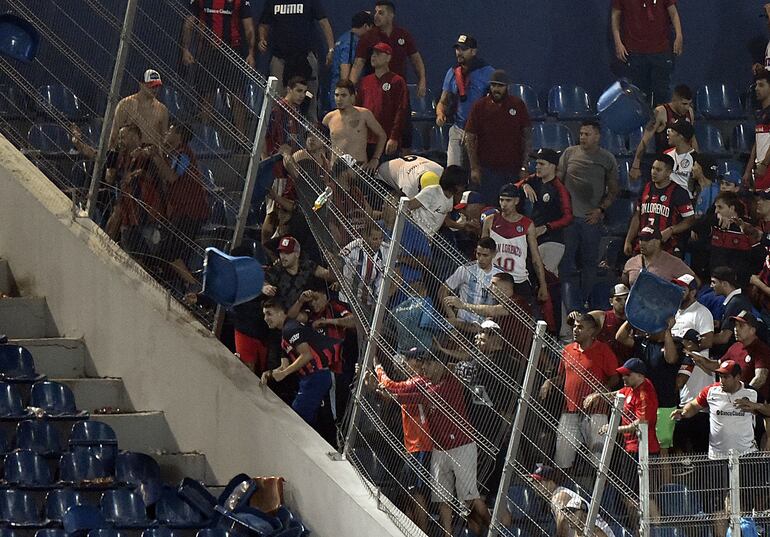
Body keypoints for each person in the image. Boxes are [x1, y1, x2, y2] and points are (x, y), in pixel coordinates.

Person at [386, 354, 491, 537]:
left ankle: (495, 529)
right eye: (424, 362)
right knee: (442, 497)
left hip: (462, 446)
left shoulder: (450, 382)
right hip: (439, 448)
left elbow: (416, 397)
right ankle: (447, 534)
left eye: (429, 362)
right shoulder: (426, 384)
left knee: (469, 498)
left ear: (439, 365)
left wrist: (389, 395)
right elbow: (409, 393)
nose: (424, 366)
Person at [584, 358, 660, 528]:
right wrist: (599, 395)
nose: (623, 377)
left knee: (641, 495)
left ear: (639, 375)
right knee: (631, 494)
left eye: (627, 374)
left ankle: (653, 529)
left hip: (642, 450)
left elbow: (641, 423)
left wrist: (613, 429)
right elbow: (620, 393)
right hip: (631, 448)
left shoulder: (644, 393)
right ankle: (640, 529)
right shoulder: (632, 388)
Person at [539, 314, 618, 472]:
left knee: (599, 459)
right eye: (574, 326)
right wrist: (549, 382)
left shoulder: (603, 350)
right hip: (570, 411)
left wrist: (600, 392)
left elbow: (615, 378)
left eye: (580, 327)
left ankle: (599, 491)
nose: (575, 330)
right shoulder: (567, 350)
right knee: (562, 457)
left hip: (596, 412)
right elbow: (562, 377)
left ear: (592, 331)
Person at [558, 120, 619, 311]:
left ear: (597, 136)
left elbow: (614, 190)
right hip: (568, 220)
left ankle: (585, 301)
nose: (582, 137)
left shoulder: (607, 159)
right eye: (581, 134)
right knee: (565, 264)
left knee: (589, 265)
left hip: (590, 220)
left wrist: (601, 210)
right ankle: (566, 304)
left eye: (587, 134)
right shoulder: (569, 153)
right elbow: (557, 183)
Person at [373, 350, 432, 533]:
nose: (405, 362)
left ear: (419, 362)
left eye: (409, 359)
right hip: (412, 444)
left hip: (421, 444)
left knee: (417, 491)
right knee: (408, 489)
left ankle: (422, 532)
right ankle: (411, 529)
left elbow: (390, 386)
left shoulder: (419, 382)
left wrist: (378, 368)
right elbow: (390, 394)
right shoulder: (411, 382)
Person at [260, 299, 342, 427]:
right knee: (308, 419)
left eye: (269, 313)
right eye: (264, 314)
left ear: (281, 313)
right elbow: (284, 367)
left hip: (316, 376)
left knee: (297, 419)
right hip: (310, 379)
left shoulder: (291, 329)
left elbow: (306, 355)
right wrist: (270, 373)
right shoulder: (284, 337)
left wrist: (285, 373)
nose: (265, 318)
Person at [616, 318, 689, 458]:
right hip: (643, 401)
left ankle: (665, 481)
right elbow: (620, 337)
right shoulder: (643, 342)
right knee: (642, 447)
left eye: (653, 327)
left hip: (664, 404)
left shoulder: (677, 345)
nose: (647, 330)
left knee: (662, 450)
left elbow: (671, 358)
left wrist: (667, 331)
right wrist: (632, 318)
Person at [150, 124, 211, 287]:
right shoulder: (173, 154)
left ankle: (195, 286)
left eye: (169, 130)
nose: (165, 133)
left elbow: (172, 177)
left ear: (179, 135)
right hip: (180, 211)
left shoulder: (184, 155)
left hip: (192, 212)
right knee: (165, 250)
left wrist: (156, 156)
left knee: (168, 251)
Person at [183, 1, 255, 132]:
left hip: (232, 52)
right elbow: (190, 21)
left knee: (236, 96)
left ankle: (241, 140)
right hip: (208, 51)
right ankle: (205, 137)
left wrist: (250, 53)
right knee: (206, 96)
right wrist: (186, 49)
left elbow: (249, 27)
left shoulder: (239, 1)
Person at [257, 0, 334, 120]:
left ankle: (310, 134)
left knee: (310, 96)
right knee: (277, 101)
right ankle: (278, 135)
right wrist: (262, 38)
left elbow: (324, 22)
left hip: (305, 57)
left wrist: (331, 48)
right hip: (280, 58)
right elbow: (263, 24)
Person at [465, 69, 532, 202]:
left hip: (513, 168)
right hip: (487, 169)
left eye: (500, 86)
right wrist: (474, 168)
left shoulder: (517, 105)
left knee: (512, 207)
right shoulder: (479, 106)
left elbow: (527, 137)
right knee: (489, 206)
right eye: (493, 85)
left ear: (507, 87)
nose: (496, 89)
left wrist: (524, 167)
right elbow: (470, 137)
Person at [482, 183, 549, 304]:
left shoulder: (527, 224)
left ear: (517, 201)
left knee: (527, 317)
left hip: (518, 279)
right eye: (501, 200)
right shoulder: (490, 221)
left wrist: (543, 285)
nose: (504, 204)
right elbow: (481, 252)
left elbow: (535, 257)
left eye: (508, 200)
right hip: (495, 279)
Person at [670, 274, 715, 454]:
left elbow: (708, 340)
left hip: (697, 379)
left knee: (698, 437)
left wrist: (683, 345)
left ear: (693, 292)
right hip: (678, 374)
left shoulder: (701, 312)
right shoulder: (673, 311)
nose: (678, 292)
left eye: (683, 289)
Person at [435, 34, 495, 168]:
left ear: (473, 51)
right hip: (458, 128)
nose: (459, 52)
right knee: (453, 171)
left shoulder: (488, 72)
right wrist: (440, 114)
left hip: (479, 132)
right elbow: (443, 101)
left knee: (477, 171)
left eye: (463, 49)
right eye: (457, 49)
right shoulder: (452, 72)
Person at [349, 0, 427, 103]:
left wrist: (422, 79)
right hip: (375, 90)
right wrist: (350, 89)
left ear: (391, 15)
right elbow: (358, 64)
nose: (376, 16)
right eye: (375, 12)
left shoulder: (403, 35)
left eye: (381, 13)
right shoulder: (367, 37)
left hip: (398, 89)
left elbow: (416, 59)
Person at [262, 77, 308, 245]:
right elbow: (263, 140)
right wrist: (266, 165)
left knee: (282, 215)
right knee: (273, 214)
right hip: (277, 171)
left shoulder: (295, 112)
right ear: (289, 89)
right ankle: (266, 249)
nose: (302, 95)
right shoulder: (277, 110)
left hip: (288, 170)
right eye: (298, 91)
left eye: (304, 92)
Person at [610, 0, 683, 105]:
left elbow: (673, 12)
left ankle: (661, 120)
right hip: (635, 50)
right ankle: (645, 121)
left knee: (661, 91)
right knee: (639, 94)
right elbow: (615, 15)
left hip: (660, 49)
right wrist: (618, 42)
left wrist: (679, 35)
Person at [623, 154, 695, 256]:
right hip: (643, 245)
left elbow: (690, 220)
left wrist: (671, 230)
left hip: (667, 247)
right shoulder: (645, 188)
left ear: (668, 173)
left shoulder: (679, 192)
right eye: (653, 168)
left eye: (658, 169)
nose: (654, 172)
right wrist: (628, 240)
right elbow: (637, 217)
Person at [517, 148, 573, 276]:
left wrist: (546, 227)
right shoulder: (534, 180)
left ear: (552, 166)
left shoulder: (559, 189)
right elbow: (512, 187)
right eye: (536, 163)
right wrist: (524, 185)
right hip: (534, 237)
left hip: (553, 240)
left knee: (546, 276)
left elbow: (568, 217)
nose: (537, 167)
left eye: (541, 164)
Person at [528, 464, 615, 537]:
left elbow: (561, 521)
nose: (535, 486)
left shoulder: (559, 495)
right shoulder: (557, 495)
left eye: (539, 482)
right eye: (534, 482)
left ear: (550, 482)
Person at [629, 85, 696, 178]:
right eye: (684, 104)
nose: (687, 107)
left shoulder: (690, 112)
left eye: (689, 104)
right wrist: (635, 165)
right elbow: (645, 140)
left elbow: (692, 139)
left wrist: (698, 161)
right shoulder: (661, 112)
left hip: (683, 164)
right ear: (675, 100)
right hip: (663, 164)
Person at [356, 42, 409, 157]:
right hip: (366, 139)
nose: (373, 56)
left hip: (387, 139)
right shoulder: (365, 81)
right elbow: (358, 108)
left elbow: (401, 110)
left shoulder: (397, 81)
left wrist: (394, 137)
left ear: (388, 57)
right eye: (373, 54)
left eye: (379, 54)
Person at [322, 80, 386, 172]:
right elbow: (320, 141)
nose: (339, 99)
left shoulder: (364, 114)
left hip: (359, 170)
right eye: (336, 95)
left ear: (352, 96)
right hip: (337, 171)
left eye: (343, 95)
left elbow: (382, 135)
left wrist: (375, 159)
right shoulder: (329, 118)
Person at [440, 237, 502, 331]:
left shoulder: (499, 275)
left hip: (485, 330)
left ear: (494, 254)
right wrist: (452, 316)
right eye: (478, 254)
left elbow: (502, 305)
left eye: (485, 255)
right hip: (462, 325)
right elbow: (442, 291)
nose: (481, 259)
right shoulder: (466, 269)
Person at [262, 236, 336, 309]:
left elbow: (329, 276)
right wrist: (265, 287)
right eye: (281, 252)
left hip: (308, 309)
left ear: (297, 254)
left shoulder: (307, 265)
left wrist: (331, 263)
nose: (283, 257)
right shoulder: (277, 269)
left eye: (287, 253)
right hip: (286, 313)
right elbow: (262, 281)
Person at [108, 70, 169, 149]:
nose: (155, 89)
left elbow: (164, 141)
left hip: (149, 157)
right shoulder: (125, 104)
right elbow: (114, 135)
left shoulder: (162, 110)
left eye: (157, 86)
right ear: (141, 84)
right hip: (127, 153)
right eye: (151, 86)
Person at [572, 283, 632, 364]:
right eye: (618, 299)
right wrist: (572, 316)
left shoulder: (636, 320)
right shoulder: (602, 317)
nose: (624, 303)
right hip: (604, 365)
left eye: (627, 299)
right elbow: (578, 320)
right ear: (611, 301)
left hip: (627, 365)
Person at [328, 11, 374, 111]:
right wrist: (346, 93)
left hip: (338, 90)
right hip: (343, 94)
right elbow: (345, 66)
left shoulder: (343, 38)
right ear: (366, 26)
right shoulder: (351, 42)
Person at [405, 165, 467, 236]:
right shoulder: (432, 191)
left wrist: (462, 226)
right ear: (454, 184)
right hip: (413, 229)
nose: (463, 188)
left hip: (427, 236)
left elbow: (445, 220)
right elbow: (409, 205)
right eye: (462, 185)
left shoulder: (450, 199)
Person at [621, 226, 694, 287]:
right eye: (641, 239)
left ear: (657, 242)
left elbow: (694, 282)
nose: (642, 243)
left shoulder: (673, 263)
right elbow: (624, 285)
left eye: (647, 240)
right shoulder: (631, 263)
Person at [339, 223, 390, 307]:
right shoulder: (354, 247)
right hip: (348, 300)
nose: (379, 242)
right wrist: (338, 281)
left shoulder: (386, 250)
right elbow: (339, 261)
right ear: (365, 238)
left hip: (370, 303)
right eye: (374, 239)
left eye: (381, 238)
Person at [709, 266, 754, 356]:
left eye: (714, 282)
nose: (711, 286)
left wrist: (701, 340)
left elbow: (724, 338)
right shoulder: (738, 300)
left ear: (725, 284)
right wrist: (720, 323)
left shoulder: (735, 303)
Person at [745, 71, 770, 190]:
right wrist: (748, 170)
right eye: (756, 85)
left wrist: (765, 164)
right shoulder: (761, 114)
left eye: (761, 85)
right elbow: (757, 142)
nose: (756, 88)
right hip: (761, 167)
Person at [377, 155, 443, 198]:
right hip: (382, 177)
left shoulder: (440, 170)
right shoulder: (409, 187)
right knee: (395, 204)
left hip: (406, 167)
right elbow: (413, 208)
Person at [663, 119, 697, 197]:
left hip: (686, 201)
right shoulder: (666, 154)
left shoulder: (696, 158)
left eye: (672, 131)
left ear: (681, 136)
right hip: (666, 200)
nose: (668, 134)